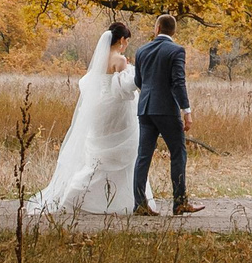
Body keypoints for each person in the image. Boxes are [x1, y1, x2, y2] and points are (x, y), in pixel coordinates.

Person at [26, 21, 137, 217]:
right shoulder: (119, 60)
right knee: (120, 153)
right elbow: (122, 89)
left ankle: (77, 194)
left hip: (99, 109)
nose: (126, 45)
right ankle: (114, 199)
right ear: (121, 40)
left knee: (98, 156)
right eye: (126, 41)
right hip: (117, 110)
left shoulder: (100, 59)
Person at [132, 14, 202, 216]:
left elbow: (138, 81)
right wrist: (186, 111)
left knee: (143, 156)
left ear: (157, 28)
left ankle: (140, 204)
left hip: (145, 108)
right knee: (178, 152)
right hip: (166, 110)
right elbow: (178, 82)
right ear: (173, 31)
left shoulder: (141, 50)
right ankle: (179, 202)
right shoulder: (176, 50)